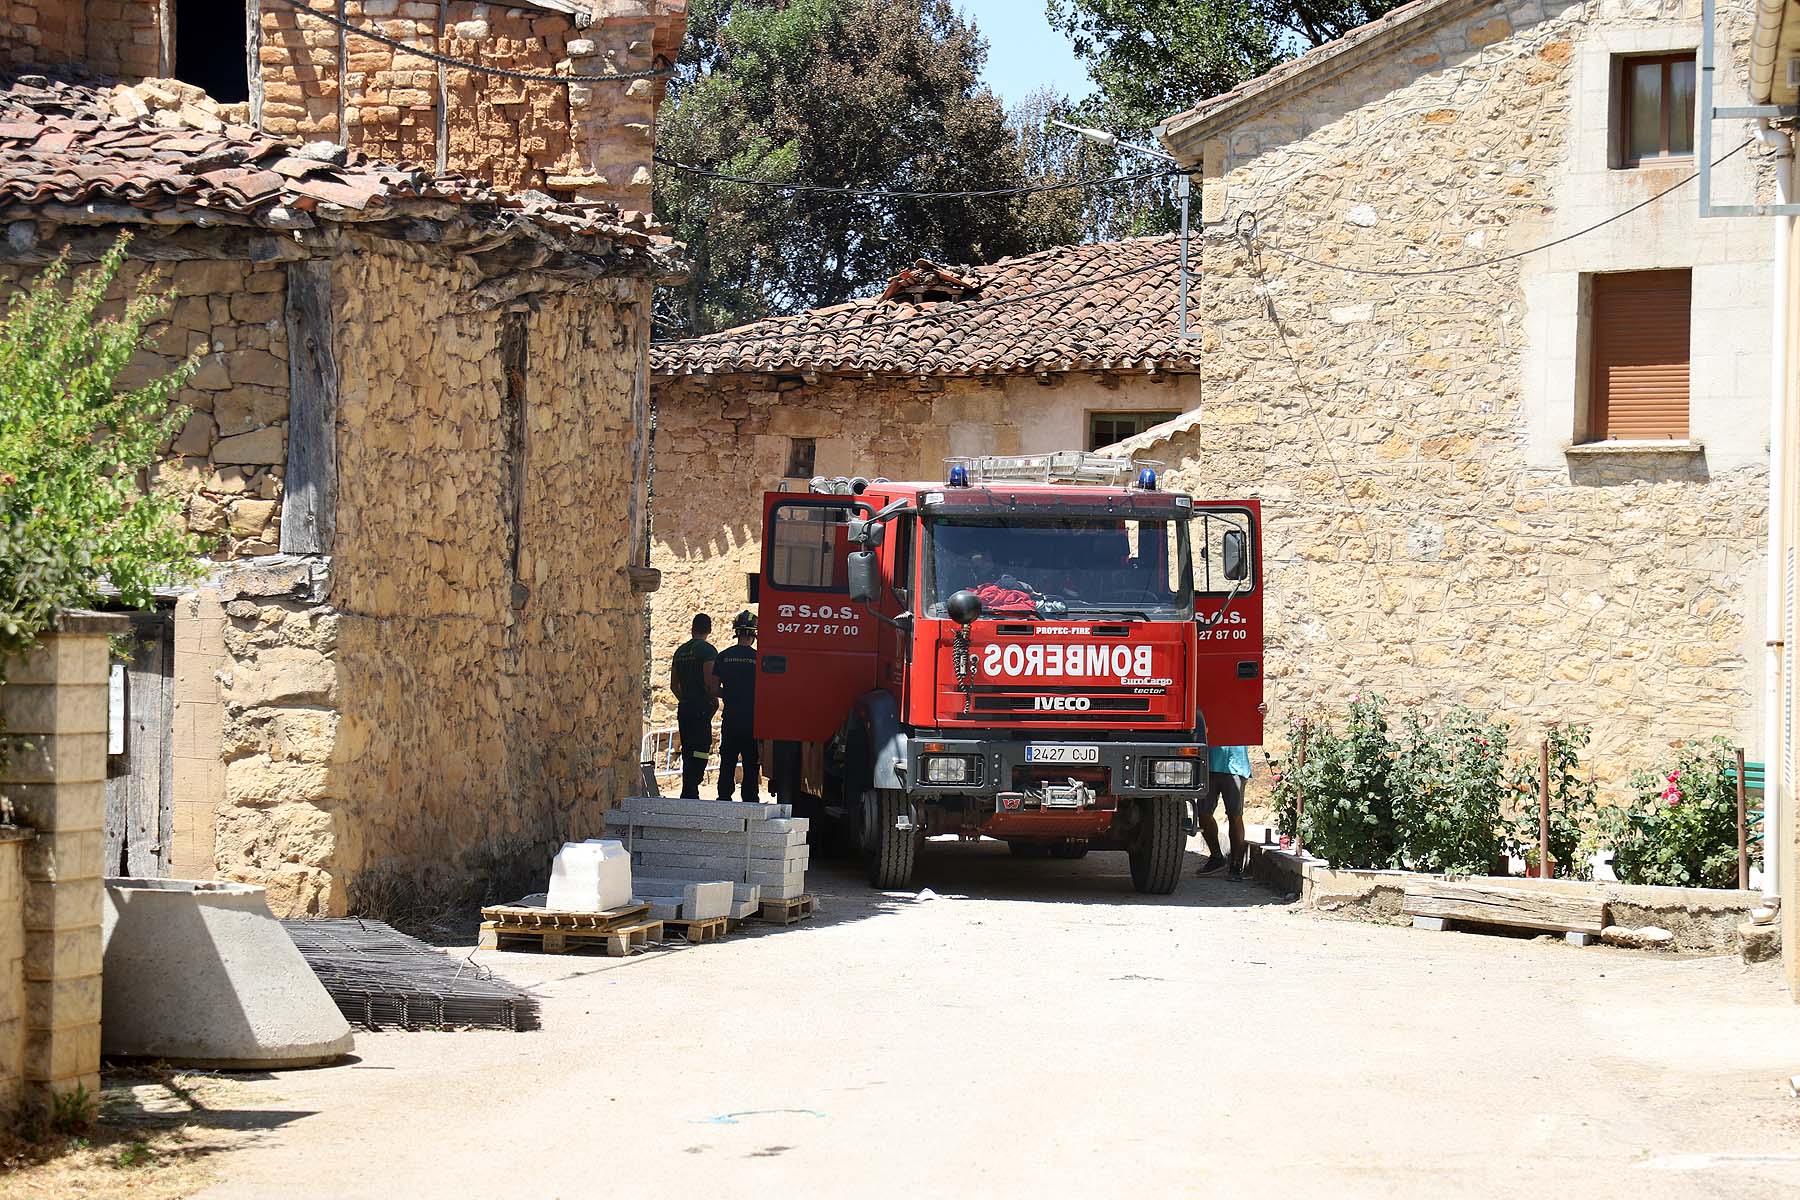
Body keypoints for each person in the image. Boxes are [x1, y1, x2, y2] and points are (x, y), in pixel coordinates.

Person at [669, 613, 718, 799]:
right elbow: (709, 683)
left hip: (685, 707)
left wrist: (685, 699)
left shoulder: (680, 651)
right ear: (709, 630)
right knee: (702, 748)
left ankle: (688, 786)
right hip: (701, 707)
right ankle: (693, 783)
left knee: (688, 747)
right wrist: (712, 700)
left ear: (692, 628)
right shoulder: (707, 651)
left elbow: (674, 685)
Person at [714, 610, 760, 803]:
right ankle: (750, 797)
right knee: (751, 760)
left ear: (736, 632)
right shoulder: (759, 659)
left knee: (728, 758)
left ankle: (724, 794)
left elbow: (713, 688)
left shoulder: (723, 657)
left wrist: (731, 695)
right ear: (753, 634)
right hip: (752, 719)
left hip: (731, 717)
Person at [1196, 744, 1252, 881]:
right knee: (1203, 813)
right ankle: (1216, 857)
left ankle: (1236, 864)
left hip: (1236, 765)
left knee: (1235, 815)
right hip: (1208, 763)